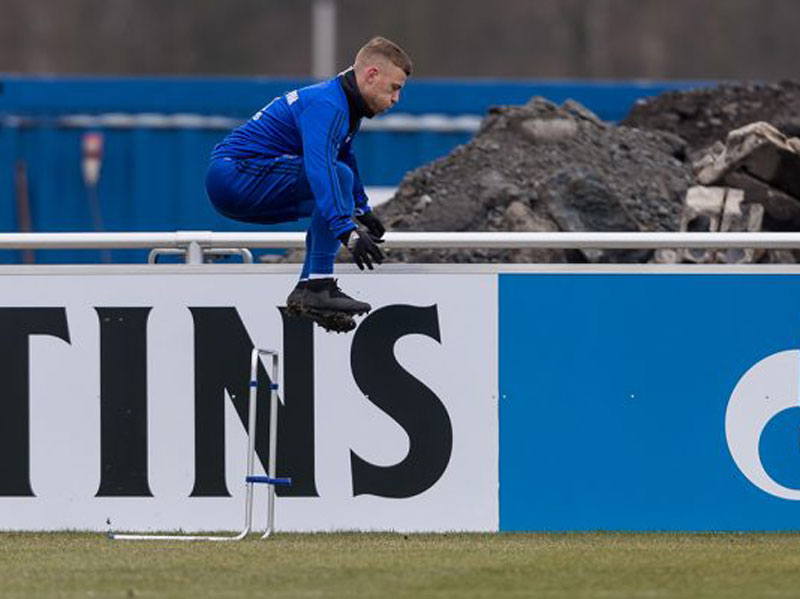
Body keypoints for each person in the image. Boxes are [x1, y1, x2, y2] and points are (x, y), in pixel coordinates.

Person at [205, 37, 412, 332]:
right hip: (234, 176)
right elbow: (321, 167)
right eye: (395, 88)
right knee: (336, 179)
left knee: (335, 189)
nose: (396, 99)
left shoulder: (343, 103)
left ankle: (308, 290)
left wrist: (362, 209)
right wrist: (347, 231)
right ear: (371, 75)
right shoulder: (329, 105)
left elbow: (344, 155)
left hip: (235, 181)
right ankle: (317, 285)